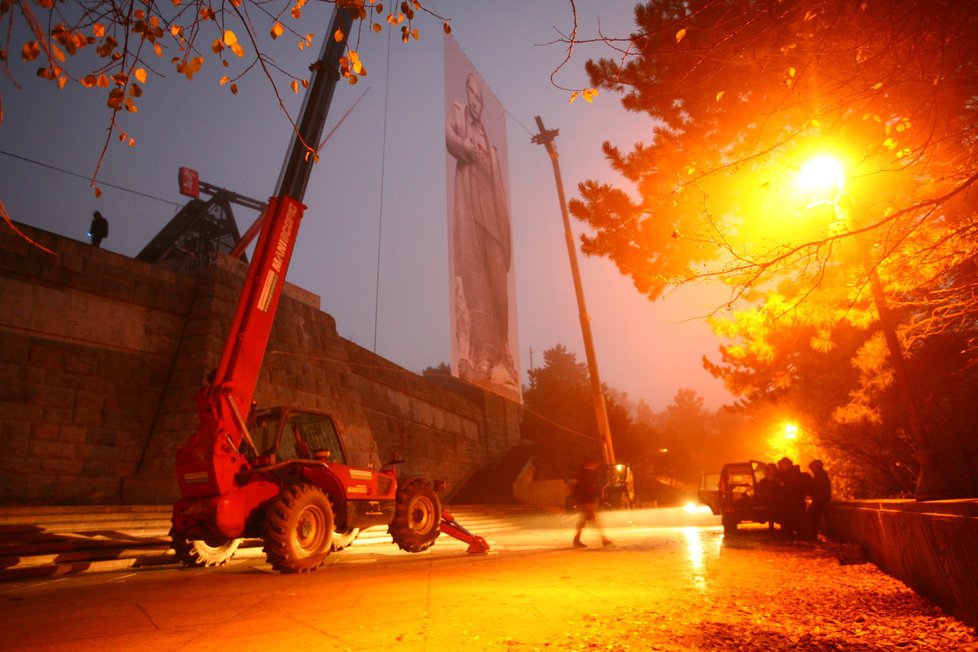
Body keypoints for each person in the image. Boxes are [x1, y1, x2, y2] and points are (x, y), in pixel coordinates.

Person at [445, 72, 517, 392]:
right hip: (471, 219)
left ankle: (504, 353)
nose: (474, 103)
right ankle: (484, 357)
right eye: (471, 96)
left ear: (483, 103)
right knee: (475, 290)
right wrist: (466, 150)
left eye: (478, 99)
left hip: (494, 226)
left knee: (499, 292)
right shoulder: (458, 114)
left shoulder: (492, 143)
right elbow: (449, 138)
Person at [571, 454, 611, 548]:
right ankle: (603, 539)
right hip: (586, 500)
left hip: (588, 500)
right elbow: (582, 489)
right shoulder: (583, 474)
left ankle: (576, 540)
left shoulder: (587, 473)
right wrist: (584, 500)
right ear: (590, 463)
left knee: (584, 521)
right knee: (594, 520)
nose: (596, 465)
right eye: (594, 463)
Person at [806, 459, 832, 540]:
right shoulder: (820, 474)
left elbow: (818, 488)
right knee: (812, 516)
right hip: (819, 498)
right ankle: (812, 535)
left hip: (820, 499)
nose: (812, 470)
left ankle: (812, 536)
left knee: (812, 516)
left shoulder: (820, 475)